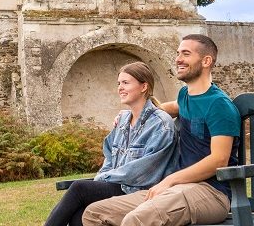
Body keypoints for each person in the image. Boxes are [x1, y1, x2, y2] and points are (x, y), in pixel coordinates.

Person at [82, 34, 241, 226]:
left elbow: (219, 160)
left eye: (186, 54)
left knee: (137, 220)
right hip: (176, 189)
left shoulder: (219, 105)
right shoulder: (185, 96)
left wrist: (170, 180)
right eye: (178, 53)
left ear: (206, 61)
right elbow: (168, 108)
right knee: (94, 213)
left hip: (211, 193)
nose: (178, 59)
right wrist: (131, 115)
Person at [44, 61, 179, 226]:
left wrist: (102, 178)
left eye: (126, 83)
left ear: (144, 87)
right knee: (78, 216)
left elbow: (144, 171)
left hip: (141, 189)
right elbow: (109, 154)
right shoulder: (122, 120)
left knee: (79, 188)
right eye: (119, 83)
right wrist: (103, 177)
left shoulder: (161, 124)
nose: (120, 88)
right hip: (118, 185)